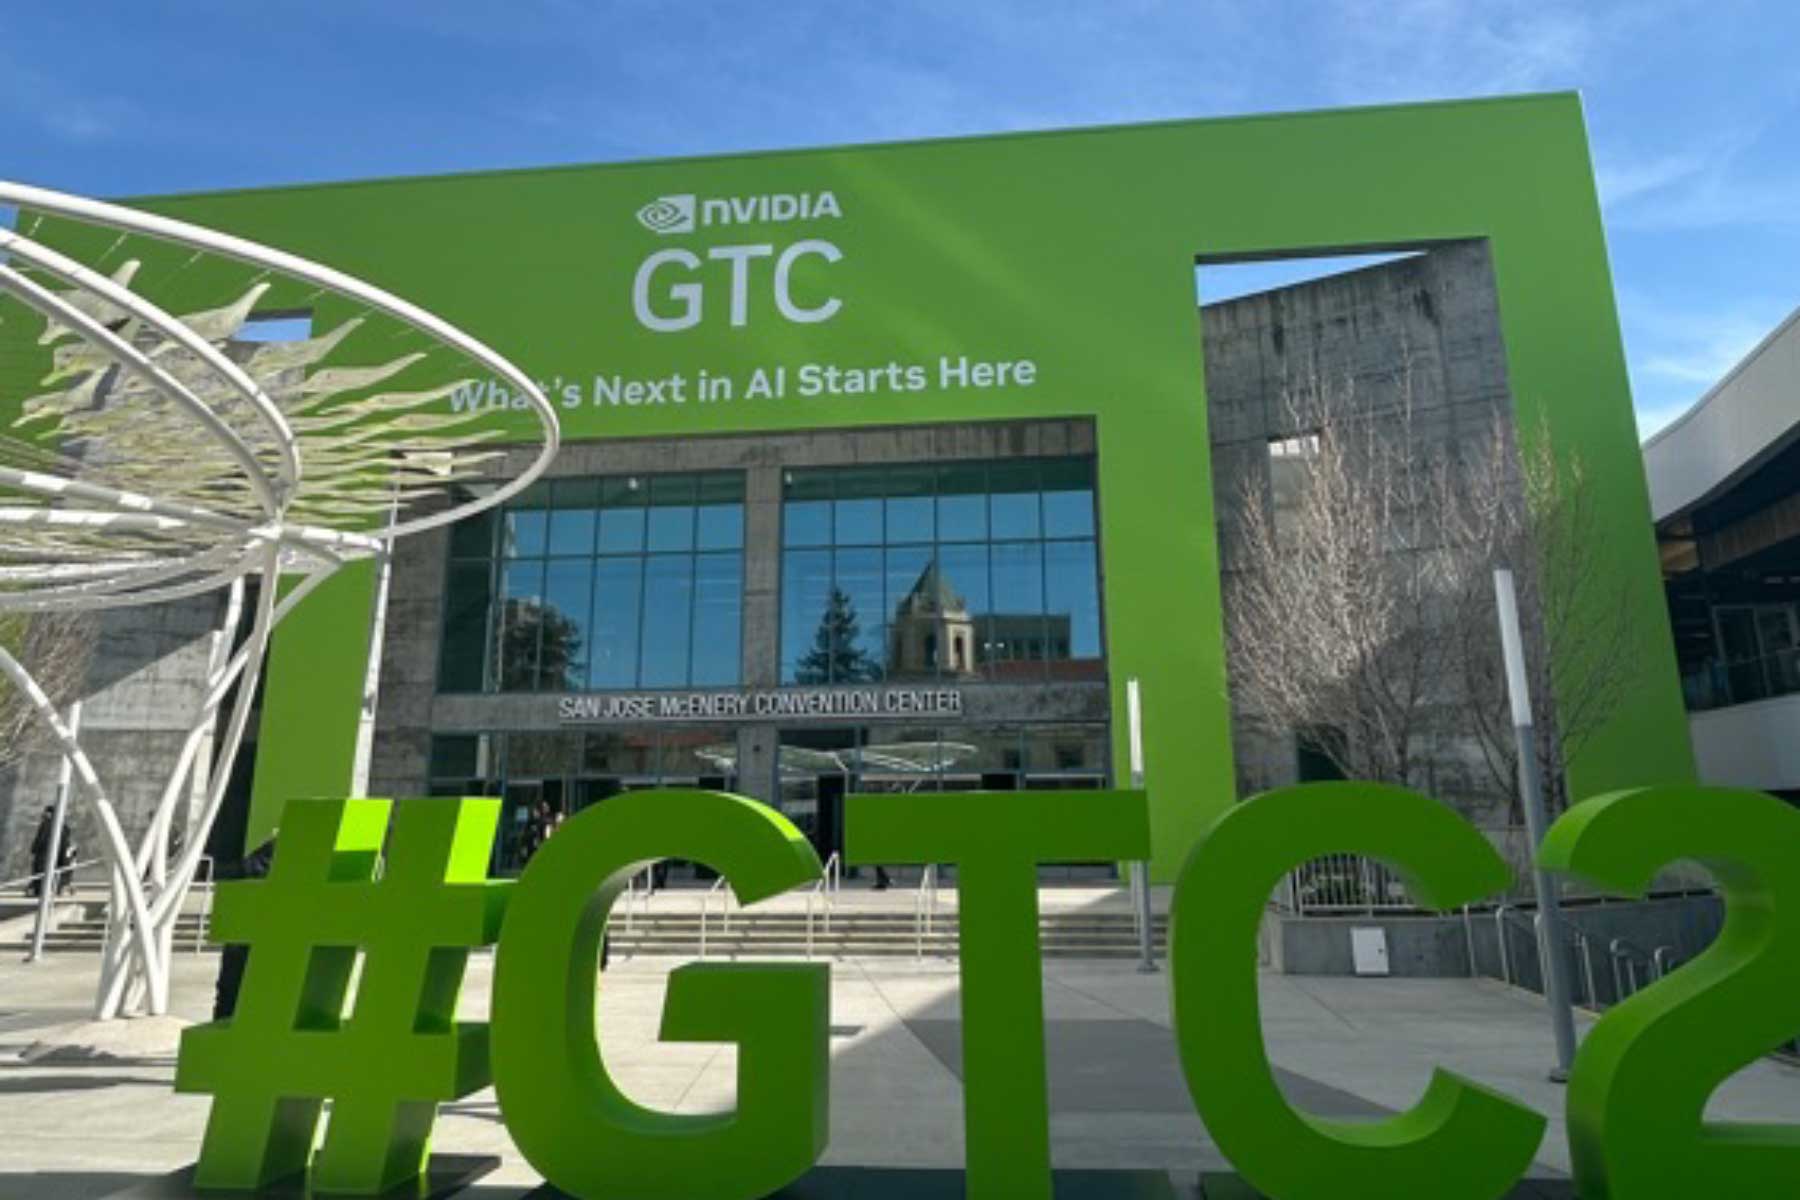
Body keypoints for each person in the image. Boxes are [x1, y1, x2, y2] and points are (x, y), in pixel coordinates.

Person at [212, 835, 276, 1020]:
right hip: (250, 930)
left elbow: (238, 871)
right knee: (231, 994)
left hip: (251, 930)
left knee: (231, 995)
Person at [27, 806, 55, 899]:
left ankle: (39, 890)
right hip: (45, 853)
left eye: (46, 812)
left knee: (40, 871)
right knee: (40, 871)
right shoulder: (50, 824)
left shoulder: (47, 824)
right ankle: (39, 890)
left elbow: (41, 839)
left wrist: (34, 849)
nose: (44, 814)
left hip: (43, 853)